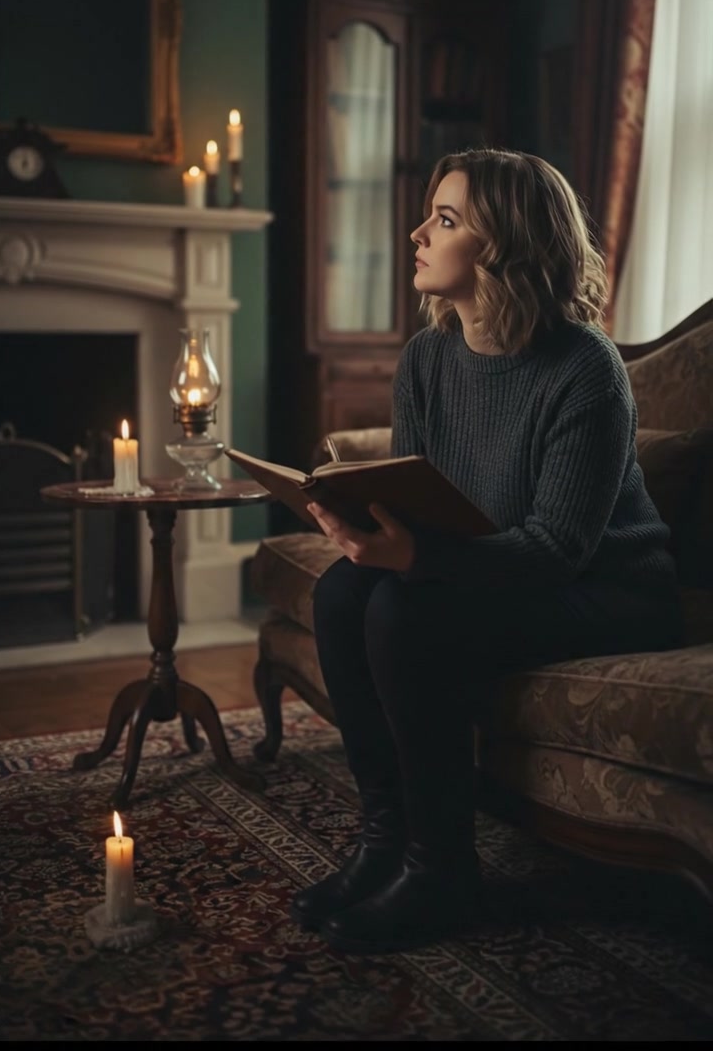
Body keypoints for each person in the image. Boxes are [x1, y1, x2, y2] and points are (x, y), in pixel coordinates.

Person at [289, 147, 684, 956]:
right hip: (504, 570)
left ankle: (442, 872)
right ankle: (385, 842)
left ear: (503, 245)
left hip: (607, 591)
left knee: (404, 608)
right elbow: (416, 498)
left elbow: (557, 549)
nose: (417, 234)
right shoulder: (427, 357)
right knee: (340, 593)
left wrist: (414, 560)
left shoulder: (586, 369)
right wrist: (367, 528)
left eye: (444, 219)